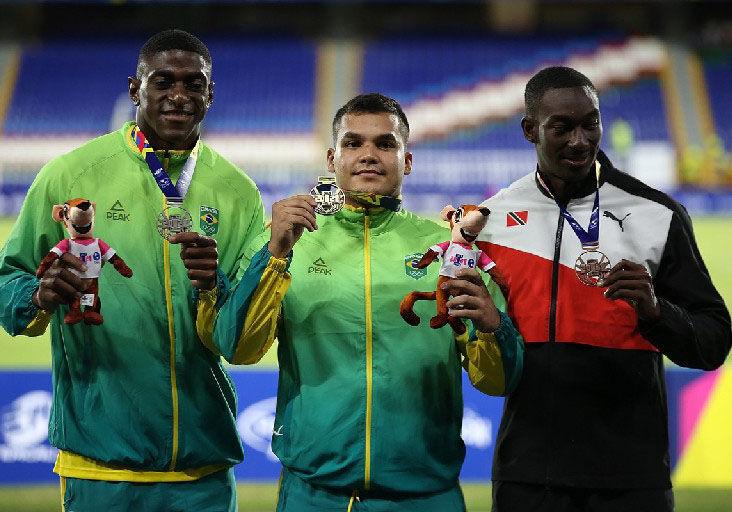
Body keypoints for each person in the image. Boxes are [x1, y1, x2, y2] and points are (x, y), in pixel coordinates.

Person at [196, 93, 524, 511]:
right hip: (313, 497)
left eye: (385, 144)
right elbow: (239, 348)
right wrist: (275, 255)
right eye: (354, 144)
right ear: (333, 158)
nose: (368, 155)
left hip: (424, 497)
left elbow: (498, 381)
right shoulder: (288, 240)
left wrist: (493, 326)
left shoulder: (447, 249)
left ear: (407, 161)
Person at [0, 29, 265, 511]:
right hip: (101, 462)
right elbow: (8, 277)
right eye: (163, 82)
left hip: (201, 467)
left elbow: (241, 330)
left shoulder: (238, 191)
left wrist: (215, 287)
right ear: (134, 89)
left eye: (194, 84)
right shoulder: (71, 175)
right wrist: (36, 296)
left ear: (211, 93)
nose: (179, 96)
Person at [476, 66, 732, 511]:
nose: (580, 140)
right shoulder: (493, 220)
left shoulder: (658, 213)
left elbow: (713, 342)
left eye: (590, 123)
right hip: (529, 476)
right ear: (529, 130)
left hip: (631, 479)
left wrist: (656, 312)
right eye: (562, 127)